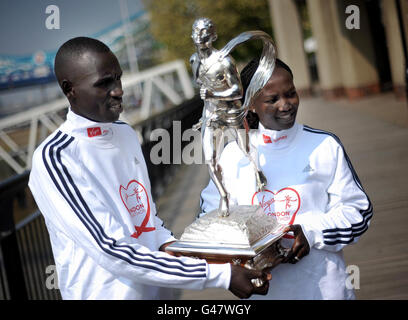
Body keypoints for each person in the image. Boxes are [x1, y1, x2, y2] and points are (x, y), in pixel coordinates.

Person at [28, 37, 271, 300]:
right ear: (69, 89)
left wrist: (175, 246)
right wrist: (220, 275)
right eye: (104, 83)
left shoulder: (125, 133)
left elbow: (146, 219)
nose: (118, 90)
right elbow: (112, 250)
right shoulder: (57, 157)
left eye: (118, 78)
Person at [199, 58, 373, 299]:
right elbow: (208, 221)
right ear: (250, 105)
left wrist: (311, 233)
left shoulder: (324, 145)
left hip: (325, 288)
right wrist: (236, 261)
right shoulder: (231, 157)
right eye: (273, 99)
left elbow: (358, 212)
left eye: (291, 94)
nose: (286, 105)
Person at [190, 17, 267, 215]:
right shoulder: (194, 61)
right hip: (211, 114)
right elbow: (200, 85)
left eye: (205, 32)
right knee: (210, 158)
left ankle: (258, 173)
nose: (200, 36)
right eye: (196, 32)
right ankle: (224, 195)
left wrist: (213, 94)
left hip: (232, 111)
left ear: (213, 36)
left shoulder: (224, 61)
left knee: (246, 149)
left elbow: (238, 90)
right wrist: (205, 111)